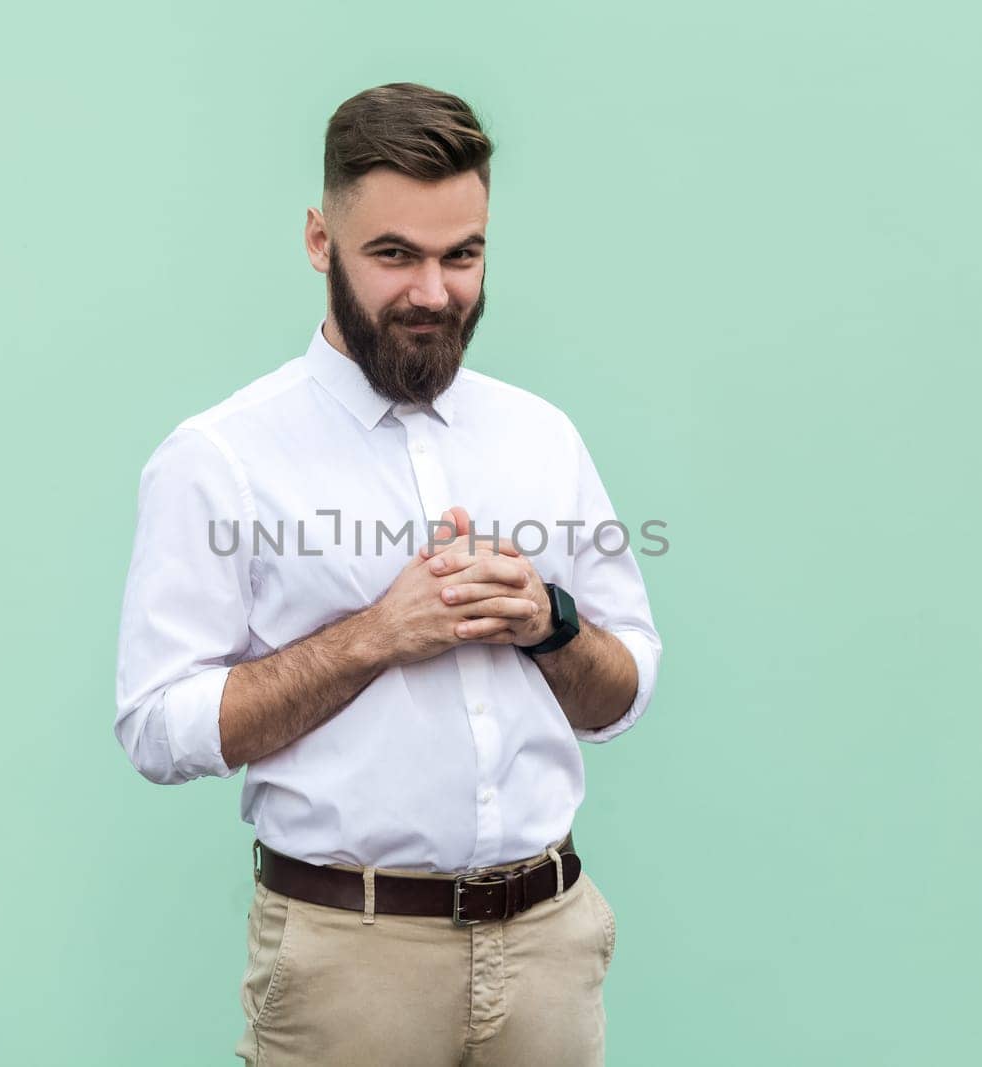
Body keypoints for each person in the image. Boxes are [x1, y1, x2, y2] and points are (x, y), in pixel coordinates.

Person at [114, 82, 662, 1066]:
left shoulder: (543, 435)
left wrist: (548, 621)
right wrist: (374, 635)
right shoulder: (219, 458)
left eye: (462, 254)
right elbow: (155, 726)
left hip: (550, 949)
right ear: (321, 242)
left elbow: (624, 693)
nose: (433, 291)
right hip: (348, 964)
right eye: (393, 254)